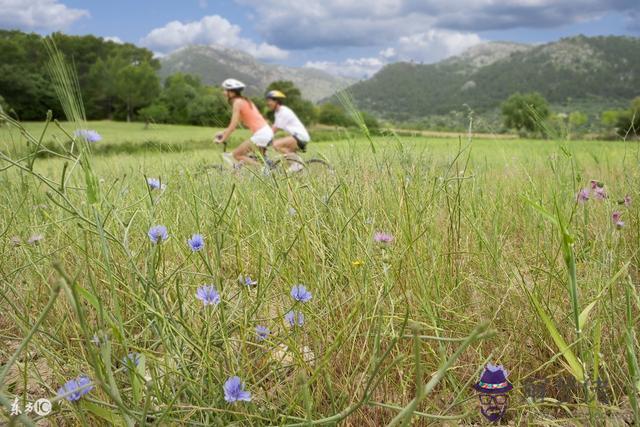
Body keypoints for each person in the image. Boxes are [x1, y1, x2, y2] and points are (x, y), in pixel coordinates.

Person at [215, 79, 273, 166]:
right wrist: (224, 132)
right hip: (266, 132)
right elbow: (235, 124)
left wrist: (223, 139)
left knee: (237, 154)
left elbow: (233, 125)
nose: (224, 93)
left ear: (232, 92)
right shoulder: (245, 101)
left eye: (225, 90)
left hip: (261, 134)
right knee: (260, 159)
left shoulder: (237, 103)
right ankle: (266, 170)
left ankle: (261, 169)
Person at [265, 90, 311, 172]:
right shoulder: (278, 113)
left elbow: (275, 128)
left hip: (300, 137)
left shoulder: (283, 111)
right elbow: (273, 126)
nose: (268, 103)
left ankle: (297, 164)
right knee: (288, 156)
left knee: (276, 145)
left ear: (277, 101)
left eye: (269, 101)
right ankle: (298, 169)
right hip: (298, 136)